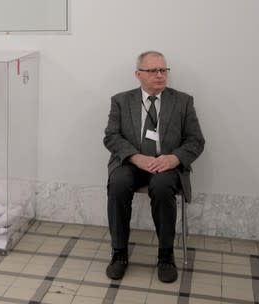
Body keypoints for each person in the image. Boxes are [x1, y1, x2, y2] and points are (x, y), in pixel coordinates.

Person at [103, 51, 205, 283]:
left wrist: (174, 159)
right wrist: (135, 157)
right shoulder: (120, 100)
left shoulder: (183, 101)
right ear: (138, 74)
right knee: (118, 184)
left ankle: (166, 256)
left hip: (165, 164)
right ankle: (119, 253)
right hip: (132, 162)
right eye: (153, 71)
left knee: (161, 186)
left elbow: (196, 141)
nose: (160, 75)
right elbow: (111, 137)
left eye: (163, 70)